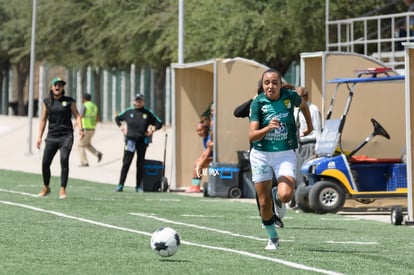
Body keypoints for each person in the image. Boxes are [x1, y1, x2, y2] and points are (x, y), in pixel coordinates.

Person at [249, 69, 313, 250]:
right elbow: (252, 136)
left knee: (285, 195)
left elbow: (304, 106)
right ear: (262, 85)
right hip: (261, 154)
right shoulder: (257, 103)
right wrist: (267, 128)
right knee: (263, 203)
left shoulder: (289, 97)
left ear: (280, 84)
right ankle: (273, 238)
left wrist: (310, 126)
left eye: (274, 82)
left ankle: (277, 196)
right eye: (267, 83)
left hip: (285, 153)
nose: (271, 86)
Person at [36, 77, 84, 199]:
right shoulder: (47, 101)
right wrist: (39, 137)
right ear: (52, 87)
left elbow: (77, 115)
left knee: (64, 159)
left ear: (63, 88)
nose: (58, 87)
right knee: (45, 162)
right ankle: (46, 187)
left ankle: (63, 189)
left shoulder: (69, 101)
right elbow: (43, 119)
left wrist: (81, 129)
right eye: (56, 85)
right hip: (52, 136)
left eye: (60, 85)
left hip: (66, 136)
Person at [114, 93, 162, 192]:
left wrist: (153, 129)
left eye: (140, 100)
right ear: (133, 101)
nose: (138, 102)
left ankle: (138, 186)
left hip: (141, 141)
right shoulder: (129, 111)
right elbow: (117, 118)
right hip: (130, 141)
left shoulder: (147, 113)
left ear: (143, 101)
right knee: (126, 163)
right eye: (137, 100)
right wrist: (121, 127)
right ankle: (120, 185)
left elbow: (159, 123)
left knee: (140, 164)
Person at [293, 86, 322, 206]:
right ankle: (297, 199)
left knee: (306, 173)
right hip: (297, 144)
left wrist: (318, 148)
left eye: (299, 97)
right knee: (297, 173)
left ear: (306, 96)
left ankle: (307, 200)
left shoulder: (313, 109)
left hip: (309, 143)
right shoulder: (295, 109)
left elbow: (318, 129)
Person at [185, 120, 213, 193]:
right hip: (210, 157)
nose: (199, 132)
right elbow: (205, 152)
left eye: (200, 130)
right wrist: (200, 159)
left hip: (214, 159)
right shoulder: (204, 138)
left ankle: (196, 187)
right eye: (197, 131)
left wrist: (200, 164)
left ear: (205, 129)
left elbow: (208, 152)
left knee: (198, 165)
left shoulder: (209, 138)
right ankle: (195, 186)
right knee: (197, 162)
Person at [77, 93, 103, 167]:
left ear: (84, 99)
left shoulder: (85, 105)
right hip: (92, 128)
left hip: (85, 128)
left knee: (80, 145)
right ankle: (97, 153)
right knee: (87, 144)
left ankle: (84, 162)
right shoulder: (94, 106)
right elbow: (97, 117)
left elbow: (80, 116)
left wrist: (75, 125)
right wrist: (94, 124)